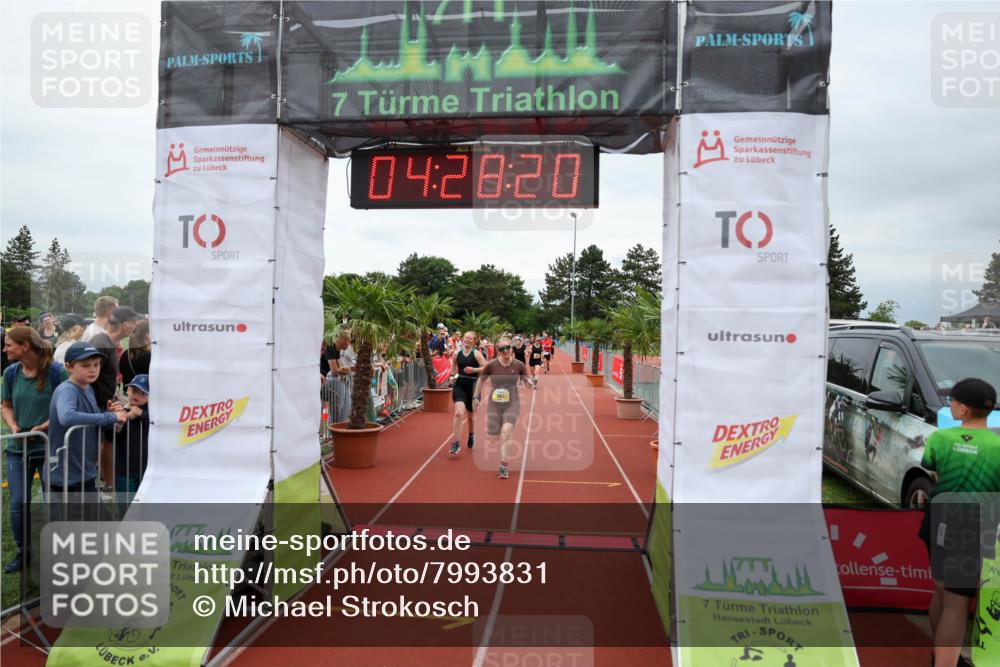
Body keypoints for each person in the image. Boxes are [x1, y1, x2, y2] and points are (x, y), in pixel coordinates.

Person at [918, 378, 1000, 667]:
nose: (949, 404)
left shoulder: (941, 438)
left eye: (952, 400)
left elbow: (933, 472)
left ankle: (939, 656)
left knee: (942, 591)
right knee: (957, 601)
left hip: (938, 518)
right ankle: (945, 662)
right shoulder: (998, 444)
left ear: (963, 409)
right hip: (977, 523)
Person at [2, 328, 67, 572]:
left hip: (49, 449)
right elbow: (5, 405)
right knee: (18, 502)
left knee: (54, 502)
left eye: (9, 345)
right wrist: (15, 427)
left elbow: (64, 406)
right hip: (17, 450)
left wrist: (44, 427)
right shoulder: (11, 373)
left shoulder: (55, 371)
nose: (5, 349)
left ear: (25, 346)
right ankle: (23, 553)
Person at [47, 341, 127, 494]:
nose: (92, 370)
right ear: (69, 367)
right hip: (66, 476)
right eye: (85, 365)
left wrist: (112, 418)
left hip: (84, 471)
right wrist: (108, 417)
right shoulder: (67, 390)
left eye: (96, 364)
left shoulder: (88, 388)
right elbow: (67, 417)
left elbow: (91, 422)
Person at [89, 306, 139, 486]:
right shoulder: (100, 343)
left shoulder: (108, 343)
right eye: (134, 323)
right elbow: (88, 375)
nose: (136, 326)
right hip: (96, 407)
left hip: (105, 405)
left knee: (108, 441)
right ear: (125, 325)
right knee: (96, 447)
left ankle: (108, 483)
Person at [472, 336, 529, 479]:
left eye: (508, 347)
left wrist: (530, 383)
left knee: (506, 432)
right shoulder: (491, 365)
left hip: (512, 403)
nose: (506, 351)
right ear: (498, 351)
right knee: (493, 439)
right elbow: (481, 380)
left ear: (511, 348)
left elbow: (526, 380)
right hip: (495, 404)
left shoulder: (519, 365)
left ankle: (503, 465)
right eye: (502, 348)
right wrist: (476, 397)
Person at [449, 331, 488, 455]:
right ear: (463, 339)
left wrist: (474, 369)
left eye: (470, 339)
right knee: (458, 414)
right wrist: (451, 376)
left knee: (470, 416)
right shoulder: (456, 353)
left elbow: (486, 367)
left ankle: (471, 435)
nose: (467, 340)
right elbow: (454, 366)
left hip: (473, 386)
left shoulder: (476, 354)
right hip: (459, 385)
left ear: (474, 341)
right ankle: (456, 442)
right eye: (466, 338)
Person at [114, 374, 150, 503]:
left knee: (145, 507)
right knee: (126, 508)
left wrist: (141, 414)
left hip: (146, 470)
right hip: (124, 471)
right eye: (134, 390)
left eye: (142, 393)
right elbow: (110, 437)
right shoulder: (120, 411)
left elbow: (157, 424)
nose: (136, 395)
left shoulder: (153, 414)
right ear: (127, 389)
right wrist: (118, 424)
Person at [119, 319, 150, 387]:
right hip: (143, 396)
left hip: (128, 395)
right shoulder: (150, 357)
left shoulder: (126, 354)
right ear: (147, 335)